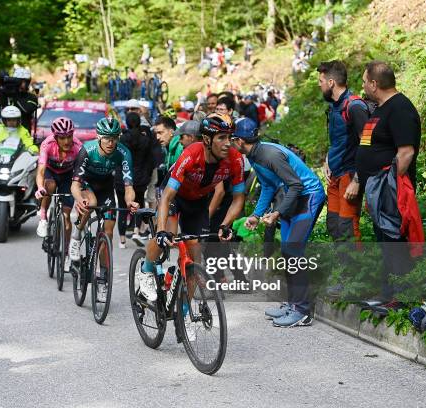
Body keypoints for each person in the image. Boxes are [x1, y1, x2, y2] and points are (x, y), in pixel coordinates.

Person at [137, 113, 246, 302]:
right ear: (206, 139)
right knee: (167, 238)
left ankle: (185, 311)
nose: (228, 143)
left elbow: (238, 199)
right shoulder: (191, 155)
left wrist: (225, 225)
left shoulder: (235, 159)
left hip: (198, 201)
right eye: (222, 137)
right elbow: (167, 196)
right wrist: (161, 230)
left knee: (195, 256)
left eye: (230, 137)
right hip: (174, 196)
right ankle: (146, 271)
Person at [238, 119, 325, 327]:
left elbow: (296, 185)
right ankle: (294, 304)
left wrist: (277, 213)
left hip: (308, 196)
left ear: (238, 140)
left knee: (293, 250)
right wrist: (256, 216)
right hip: (292, 198)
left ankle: (303, 311)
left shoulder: (269, 155)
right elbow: (268, 186)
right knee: (288, 251)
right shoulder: (255, 155)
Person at [357, 60, 422, 306]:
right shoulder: (380, 108)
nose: (362, 85)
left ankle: (402, 297)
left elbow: (405, 152)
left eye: (365, 81)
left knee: (394, 241)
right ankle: (387, 294)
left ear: (374, 84)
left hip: (390, 190)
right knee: (384, 241)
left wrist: (387, 187)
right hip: (377, 189)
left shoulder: (400, 109)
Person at [69, 118, 138, 301]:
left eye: (115, 138)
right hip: (86, 183)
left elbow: (129, 186)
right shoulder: (88, 150)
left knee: (108, 232)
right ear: (99, 137)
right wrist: (79, 199)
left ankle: (103, 280)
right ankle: (76, 236)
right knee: (90, 202)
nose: (111, 142)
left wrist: (131, 202)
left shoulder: (123, 152)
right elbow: (74, 185)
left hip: (106, 186)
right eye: (107, 138)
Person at [317, 61, 369, 242]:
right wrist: (327, 160)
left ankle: (356, 269)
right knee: (333, 224)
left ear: (331, 82)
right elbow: (337, 139)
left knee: (347, 228)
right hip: (335, 175)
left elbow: (368, 143)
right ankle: (342, 269)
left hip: (350, 174)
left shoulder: (355, 106)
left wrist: (357, 180)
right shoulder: (333, 107)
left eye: (321, 80)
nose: (319, 84)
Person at [35, 117, 83, 268]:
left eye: (69, 136)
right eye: (62, 138)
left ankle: (67, 252)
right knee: (49, 185)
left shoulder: (78, 147)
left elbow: (82, 172)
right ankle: (43, 217)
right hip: (51, 173)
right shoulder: (47, 145)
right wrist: (39, 187)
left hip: (68, 176)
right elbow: (41, 171)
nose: (67, 141)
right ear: (55, 137)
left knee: (66, 218)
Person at [115, 112, 159, 248]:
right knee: (138, 204)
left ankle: (122, 240)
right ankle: (135, 231)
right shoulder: (145, 140)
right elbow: (150, 160)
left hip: (122, 178)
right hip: (140, 179)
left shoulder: (122, 140)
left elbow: (117, 159)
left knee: (122, 208)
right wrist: (146, 176)